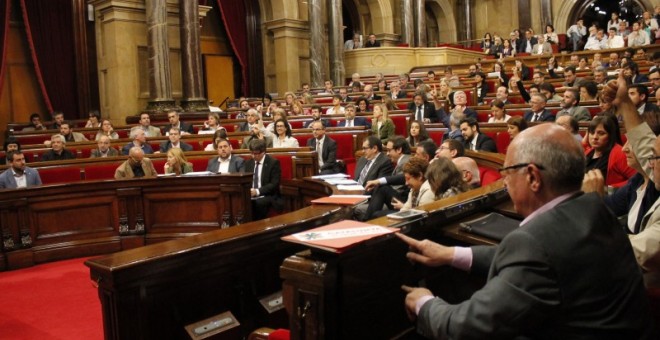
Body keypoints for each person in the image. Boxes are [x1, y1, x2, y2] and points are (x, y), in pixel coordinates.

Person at [399, 122, 656, 339]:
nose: (505, 181)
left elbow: (466, 328)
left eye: (507, 172)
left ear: (533, 177)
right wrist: (451, 254)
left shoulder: (534, 243)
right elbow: (541, 259)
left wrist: (424, 303)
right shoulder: (594, 209)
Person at [362, 136, 413, 220]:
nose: (387, 154)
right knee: (382, 188)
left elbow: (399, 187)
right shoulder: (402, 161)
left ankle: (367, 222)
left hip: (404, 201)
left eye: (389, 150)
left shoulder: (406, 162)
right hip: (402, 198)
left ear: (399, 150)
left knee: (383, 188)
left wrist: (379, 183)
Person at [583, 115, 635, 188]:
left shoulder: (619, 153)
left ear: (610, 136)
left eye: (601, 133)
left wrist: (611, 188)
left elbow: (637, 179)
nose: (595, 137)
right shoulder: (588, 152)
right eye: (592, 133)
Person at [245, 139, 282, 220]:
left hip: (268, 195)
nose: (253, 156)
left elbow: (274, 184)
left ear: (263, 152)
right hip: (250, 195)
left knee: (257, 203)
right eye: (251, 153)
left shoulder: (273, 163)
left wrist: (257, 191)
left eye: (256, 154)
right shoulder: (248, 163)